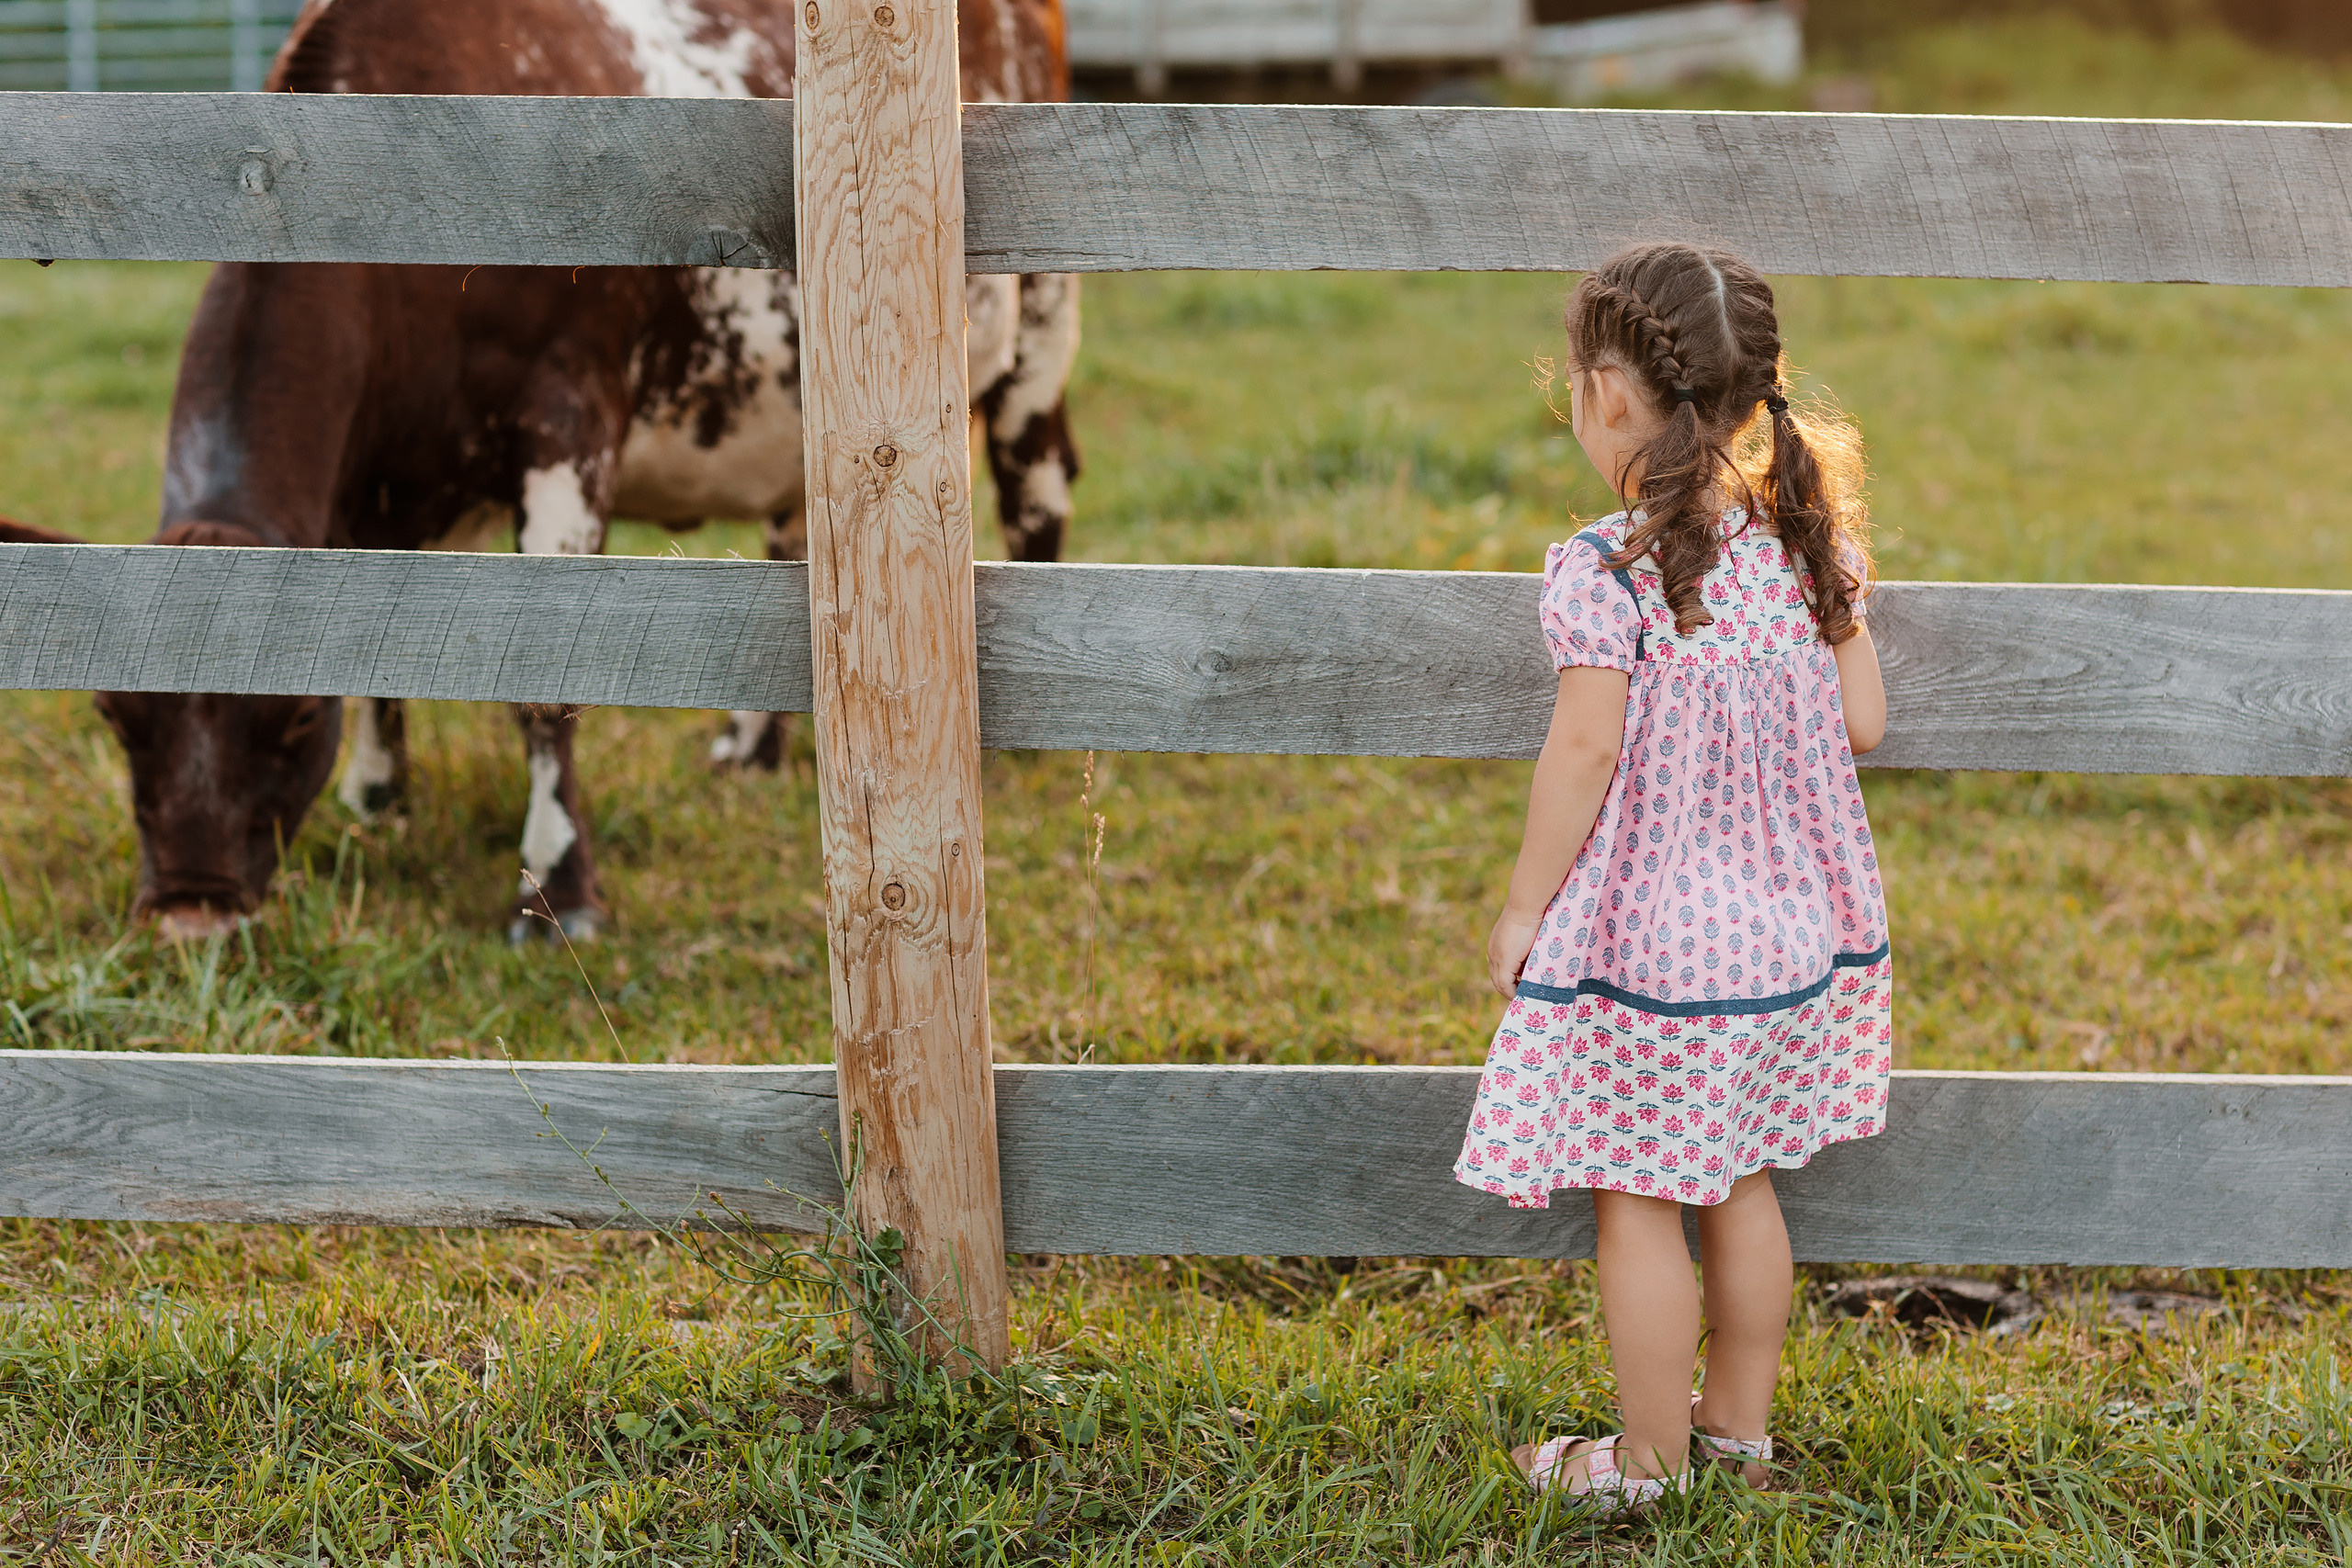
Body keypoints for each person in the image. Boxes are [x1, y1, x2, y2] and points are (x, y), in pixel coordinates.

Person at [1453, 241, 1893, 1514]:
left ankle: (1644, 1466)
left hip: (1657, 945)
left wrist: (1528, 903)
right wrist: (1838, 606)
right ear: (1759, 396)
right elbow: (1862, 722)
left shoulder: (1608, 567)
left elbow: (1586, 744)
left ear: (1602, 393)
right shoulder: (1806, 547)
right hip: (1790, 939)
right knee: (1742, 1180)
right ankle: (1737, 1440)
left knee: (1641, 1196)